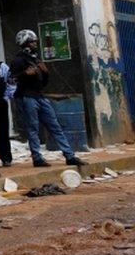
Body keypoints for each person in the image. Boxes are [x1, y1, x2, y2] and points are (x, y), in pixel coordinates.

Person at [10, 29, 88, 168]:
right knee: (32, 128)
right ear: (25, 43)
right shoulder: (18, 60)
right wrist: (24, 74)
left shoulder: (35, 58)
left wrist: (45, 73)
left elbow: (43, 82)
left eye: (35, 41)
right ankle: (37, 158)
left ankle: (69, 155)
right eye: (32, 42)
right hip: (27, 97)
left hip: (40, 96)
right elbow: (11, 79)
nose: (35, 44)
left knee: (55, 126)